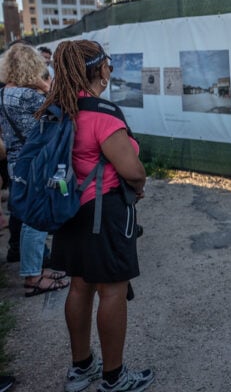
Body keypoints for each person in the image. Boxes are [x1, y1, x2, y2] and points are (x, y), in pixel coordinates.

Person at [41, 40, 154, 391]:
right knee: (112, 291)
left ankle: (81, 368)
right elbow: (132, 170)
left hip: (70, 208)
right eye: (109, 63)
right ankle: (114, 377)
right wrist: (138, 186)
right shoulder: (102, 114)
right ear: (99, 69)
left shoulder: (60, 109)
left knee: (79, 286)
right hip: (103, 211)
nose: (111, 69)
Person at [0, 43, 69, 296]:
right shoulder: (28, 95)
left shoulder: (4, 93)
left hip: (16, 163)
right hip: (34, 164)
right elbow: (60, 110)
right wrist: (45, 86)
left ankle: (35, 269)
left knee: (29, 217)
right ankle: (33, 277)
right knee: (35, 220)